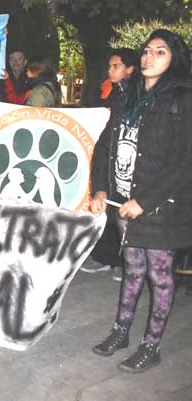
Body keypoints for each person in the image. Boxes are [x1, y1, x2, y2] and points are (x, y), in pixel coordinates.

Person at [89, 29, 192, 373]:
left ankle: (152, 345)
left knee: (160, 277)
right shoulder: (126, 97)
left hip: (163, 207)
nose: (149, 57)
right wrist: (101, 188)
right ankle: (121, 332)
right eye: (147, 51)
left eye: (160, 52)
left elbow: (185, 162)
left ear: (174, 58)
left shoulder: (183, 98)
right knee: (132, 269)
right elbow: (105, 146)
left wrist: (145, 201)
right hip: (124, 204)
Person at [82, 47, 137, 277]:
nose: (110, 70)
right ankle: (106, 257)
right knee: (109, 212)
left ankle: (127, 265)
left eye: (116, 66)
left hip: (130, 164)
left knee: (126, 217)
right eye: (110, 66)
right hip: (113, 161)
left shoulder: (137, 97)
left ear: (130, 69)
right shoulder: (115, 92)